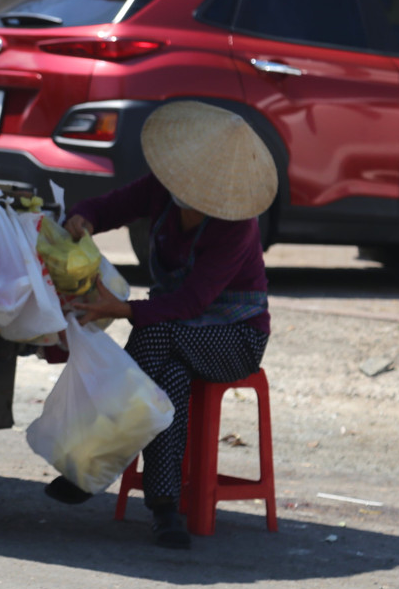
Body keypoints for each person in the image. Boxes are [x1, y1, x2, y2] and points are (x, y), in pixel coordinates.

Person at [48, 101, 278, 550]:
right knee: (166, 376)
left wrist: (122, 309)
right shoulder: (162, 191)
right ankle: (165, 510)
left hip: (236, 339)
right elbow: (110, 205)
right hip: (179, 332)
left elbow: (193, 301)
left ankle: (103, 454)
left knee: (153, 333)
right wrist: (86, 217)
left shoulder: (237, 227)